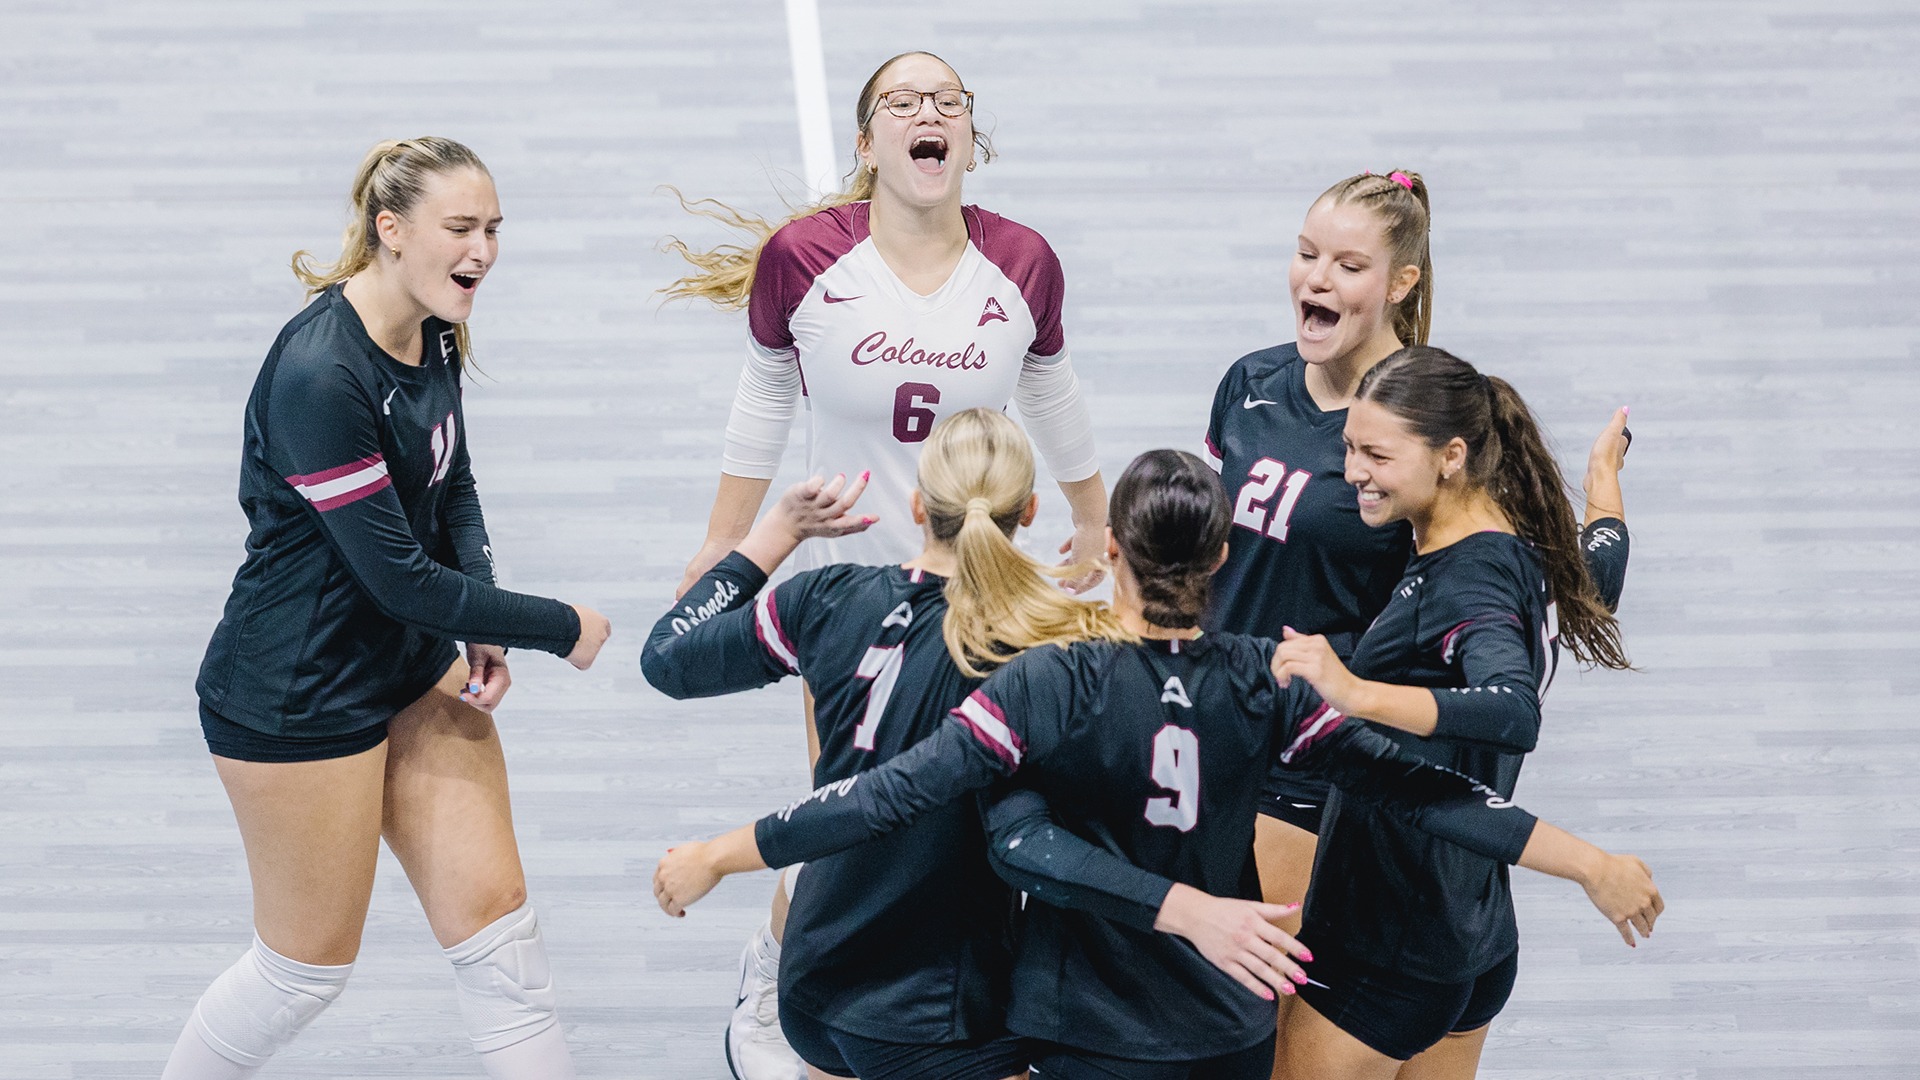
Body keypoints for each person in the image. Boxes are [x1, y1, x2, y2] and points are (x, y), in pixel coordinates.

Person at [653, 448, 1663, 1080]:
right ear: (1222, 557)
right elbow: (1424, 789)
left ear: (1114, 556)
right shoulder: (1266, 684)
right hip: (1221, 1026)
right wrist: (1587, 863)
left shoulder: (1056, 683)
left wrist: (723, 852)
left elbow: (898, 795)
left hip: (1083, 1021)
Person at [661, 50, 1109, 1076]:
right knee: (852, 808)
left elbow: (1054, 388)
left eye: (946, 101)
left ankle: (965, 992)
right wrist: (728, 541)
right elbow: (767, 390)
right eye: (901, 102)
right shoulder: (804, 258)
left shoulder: (1023, 263)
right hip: (857, 594)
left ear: (966, 138)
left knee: (976, 811)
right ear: (868, 144)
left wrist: (1092, 515)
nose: (927, 112)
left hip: (989, 588)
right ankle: (777, 974)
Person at [162, 137, 612, 1080]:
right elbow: (398, 576)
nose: (482, 250)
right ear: (391, 229)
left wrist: (481, 612)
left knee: (502, 942)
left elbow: (451, 481)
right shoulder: (321, 376)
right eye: (461, 228)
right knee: (302, 972)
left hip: (404, 663)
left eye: (493, 229)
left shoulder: (433, 326)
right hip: (295, 692)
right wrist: (557, 625)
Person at [644, 409, 1122, 1080]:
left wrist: (776, 532)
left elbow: (666, 658)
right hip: (937, 1010)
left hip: (813, 987)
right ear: (1031, 510)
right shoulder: (1047, 643)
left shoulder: (824, 599)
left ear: (919, 504)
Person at [1267, 345, 1636, 1079]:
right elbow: (1602, 566)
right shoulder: (1532, 559)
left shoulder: (1461, 585)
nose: (1354, 473)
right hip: (1474, 938)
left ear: (1452, 456)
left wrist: (1352, 692)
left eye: (1376, 454)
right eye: (1349, 448)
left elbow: (1509, 709)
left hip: (1382, 951)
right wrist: (1603, 482)